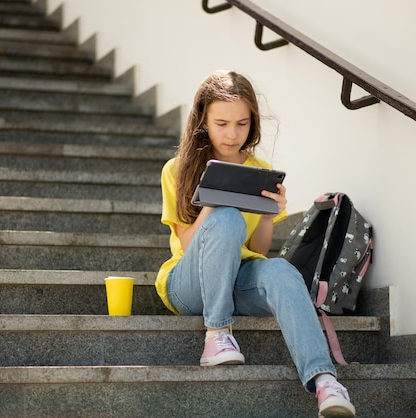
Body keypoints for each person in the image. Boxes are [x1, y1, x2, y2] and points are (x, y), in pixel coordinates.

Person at [155, 69, 356, 418]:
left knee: (280, 269)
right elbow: (188, 246)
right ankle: (217, 334)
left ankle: (325, 381)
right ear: (203, 118)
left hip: (237, 278)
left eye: (242, 124)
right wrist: (214, 200)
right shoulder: (177, 168)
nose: (232, 134)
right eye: (221, 123)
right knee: (227, 217)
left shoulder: (259, 168)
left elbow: (259, 252)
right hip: (188, 285)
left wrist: (268, 214)